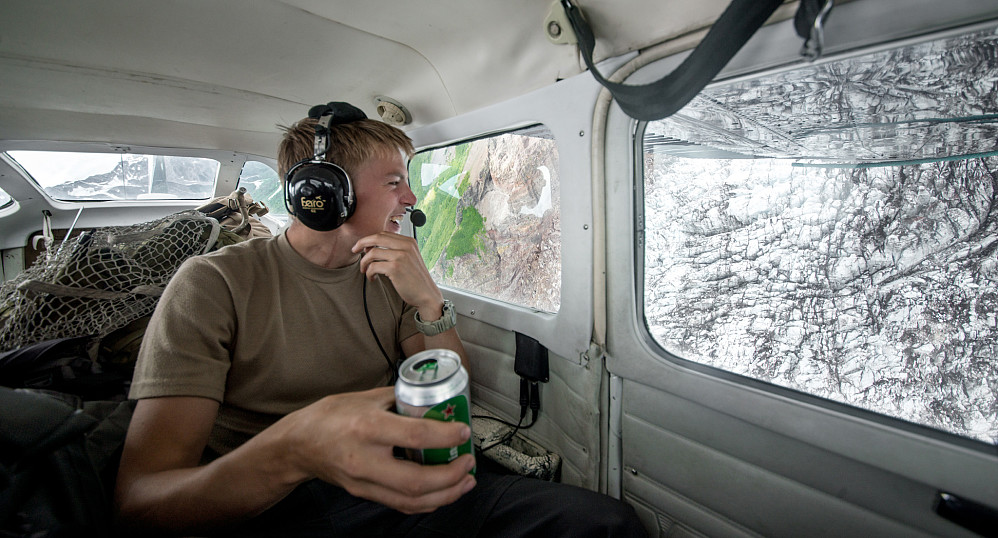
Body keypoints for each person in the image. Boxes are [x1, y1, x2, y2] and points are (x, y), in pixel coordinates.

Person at [114, 102, 647, 537]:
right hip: (268, 505)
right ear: (321, 192)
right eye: (394, 181)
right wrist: (295, 450)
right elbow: (144, 502)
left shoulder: (391, 270)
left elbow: (449, 396)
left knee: (603, 525)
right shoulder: (213, 283)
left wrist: (429, 303)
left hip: (395, 480)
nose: (411, 198)